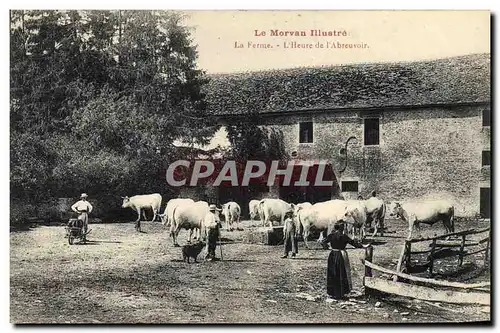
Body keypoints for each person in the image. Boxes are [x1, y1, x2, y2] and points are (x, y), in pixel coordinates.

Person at [321, 222, 371, 300]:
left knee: (333, 273)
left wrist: (326, 247)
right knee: (341, 273)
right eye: (343, 227)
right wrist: (364, 246)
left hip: (332, 254)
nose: (344, 228)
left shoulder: (331, 235)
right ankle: (341, 293)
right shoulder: (343, 236)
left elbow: (323, 241)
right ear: (341, 228)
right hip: (341, 255)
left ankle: (332, 293)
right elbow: (354, 243)